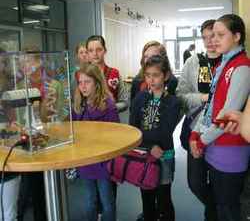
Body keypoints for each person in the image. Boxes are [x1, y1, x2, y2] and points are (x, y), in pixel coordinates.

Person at [189, 14, 250, 221]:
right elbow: (211, 107)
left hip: (230, 149)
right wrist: (197, 132)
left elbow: (229, 114)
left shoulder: (241, 67)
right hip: (215, 146)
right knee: (217, 205)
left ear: (237, 36)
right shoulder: (225, 64)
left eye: (220, 35)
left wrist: (201, 141)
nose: (214, 39)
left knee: (228, 209)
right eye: (212, 34)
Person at [176, 19, 221, 221]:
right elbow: (181, 95)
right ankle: (213, 208)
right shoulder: (192, 62)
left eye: (214, 36)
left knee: (221, 183)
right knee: (196, 183)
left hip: (222, 134)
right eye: (205, 37)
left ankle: (212, 214)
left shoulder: (229, 61)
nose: (210, 41)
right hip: (197, 131)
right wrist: (203, 98)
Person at [130, 55, 181, 221]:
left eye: (156, 75)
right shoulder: (139, 98)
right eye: (148, 75)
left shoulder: (172, 102)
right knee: (147, 198)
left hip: (164, 157)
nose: (151, 79)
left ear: (165, 76)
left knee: (164, 199)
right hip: (144, 155)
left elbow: (165, 131)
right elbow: (133, 129)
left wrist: (149, 142)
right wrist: (148, 146)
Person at [17, 47, 64, 221]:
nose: (24, 66)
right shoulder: (21, 86)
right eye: (22, 63)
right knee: (34, 190)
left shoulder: (54, 85)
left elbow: (60, 116)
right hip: (30, 144)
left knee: (52, 190)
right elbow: (21, 118)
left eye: (28, 61)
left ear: (39, 62)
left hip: (52, 143)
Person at [72, 63, 119, 221]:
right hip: (85, 161)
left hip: (103, 162)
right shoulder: (79, 104)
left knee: (107, 202)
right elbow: (72, 130)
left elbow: (116, 135)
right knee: (89, 201)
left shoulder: (108, 105)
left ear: (97, 82)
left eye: (87, 82)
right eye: (80, 82)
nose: (83, 86)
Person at [0, 48, 20, 221]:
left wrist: (14, 125)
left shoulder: (9, 86)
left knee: (8, 212)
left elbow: (14, 118)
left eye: (3, 62)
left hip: (8, 155)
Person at [86, 35, 128, 113]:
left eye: (99, 50)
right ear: (87, 53)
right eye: (91, 50)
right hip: (89, 122)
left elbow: (124, 102)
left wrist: (109, 107)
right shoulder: (82, 76)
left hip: (110, 122)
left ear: (105, 50)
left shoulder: (115, 73)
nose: (95, 53)